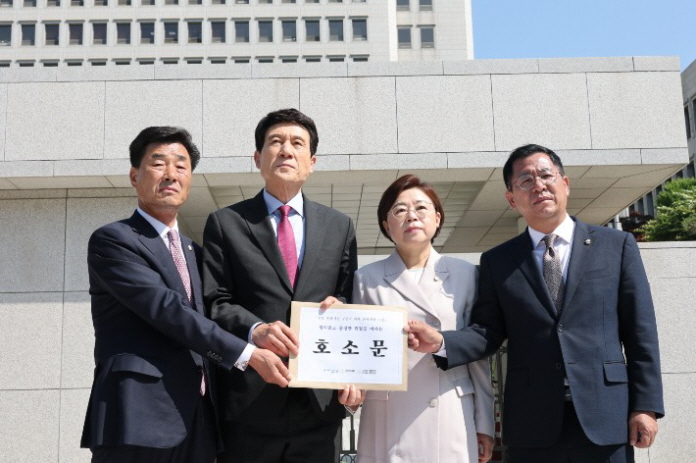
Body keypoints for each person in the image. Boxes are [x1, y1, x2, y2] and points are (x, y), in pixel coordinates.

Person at [408, 144, 664, 463]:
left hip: (606, 416)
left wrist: (645, 406)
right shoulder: (498, 261)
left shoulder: (616, 246)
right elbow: (488, 331)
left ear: (565, 184)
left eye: (546, 175)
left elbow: (640, 331)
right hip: (532, 422)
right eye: (526, 180)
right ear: (512, 199)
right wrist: (441, 343)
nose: (538, 186)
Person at [80, 126, 290, 463]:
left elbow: (220, 309)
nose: (170, 174)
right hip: (137, 415)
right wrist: (248, 354)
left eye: (181, 166)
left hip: (199, 419)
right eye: (158, 163)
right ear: (134, 176)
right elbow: (168, 310)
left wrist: (259, 330)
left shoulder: (196, 252)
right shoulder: (114, 240)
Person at [202, 108, 361, 463]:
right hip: (249, 401)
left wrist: (342, 308)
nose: (286, 150)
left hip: (319, 403)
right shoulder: (226, 223)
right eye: (276, 142)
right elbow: (214, 300)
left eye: (297, 143)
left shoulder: (339, 226)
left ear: (312, 162)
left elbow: (348, 295)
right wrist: (255, 329)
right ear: (258, 158)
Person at [352, 174, 495, 463]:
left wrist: (484, 423)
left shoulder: (465, 274)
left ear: (437, 218)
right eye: (399, 210)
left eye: (421, 207)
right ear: (386, 225)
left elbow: (477, 352)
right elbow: (357, 353)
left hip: (450, 409)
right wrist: (351, 392)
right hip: (388, 415)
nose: (411, 216)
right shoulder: (366, 279)